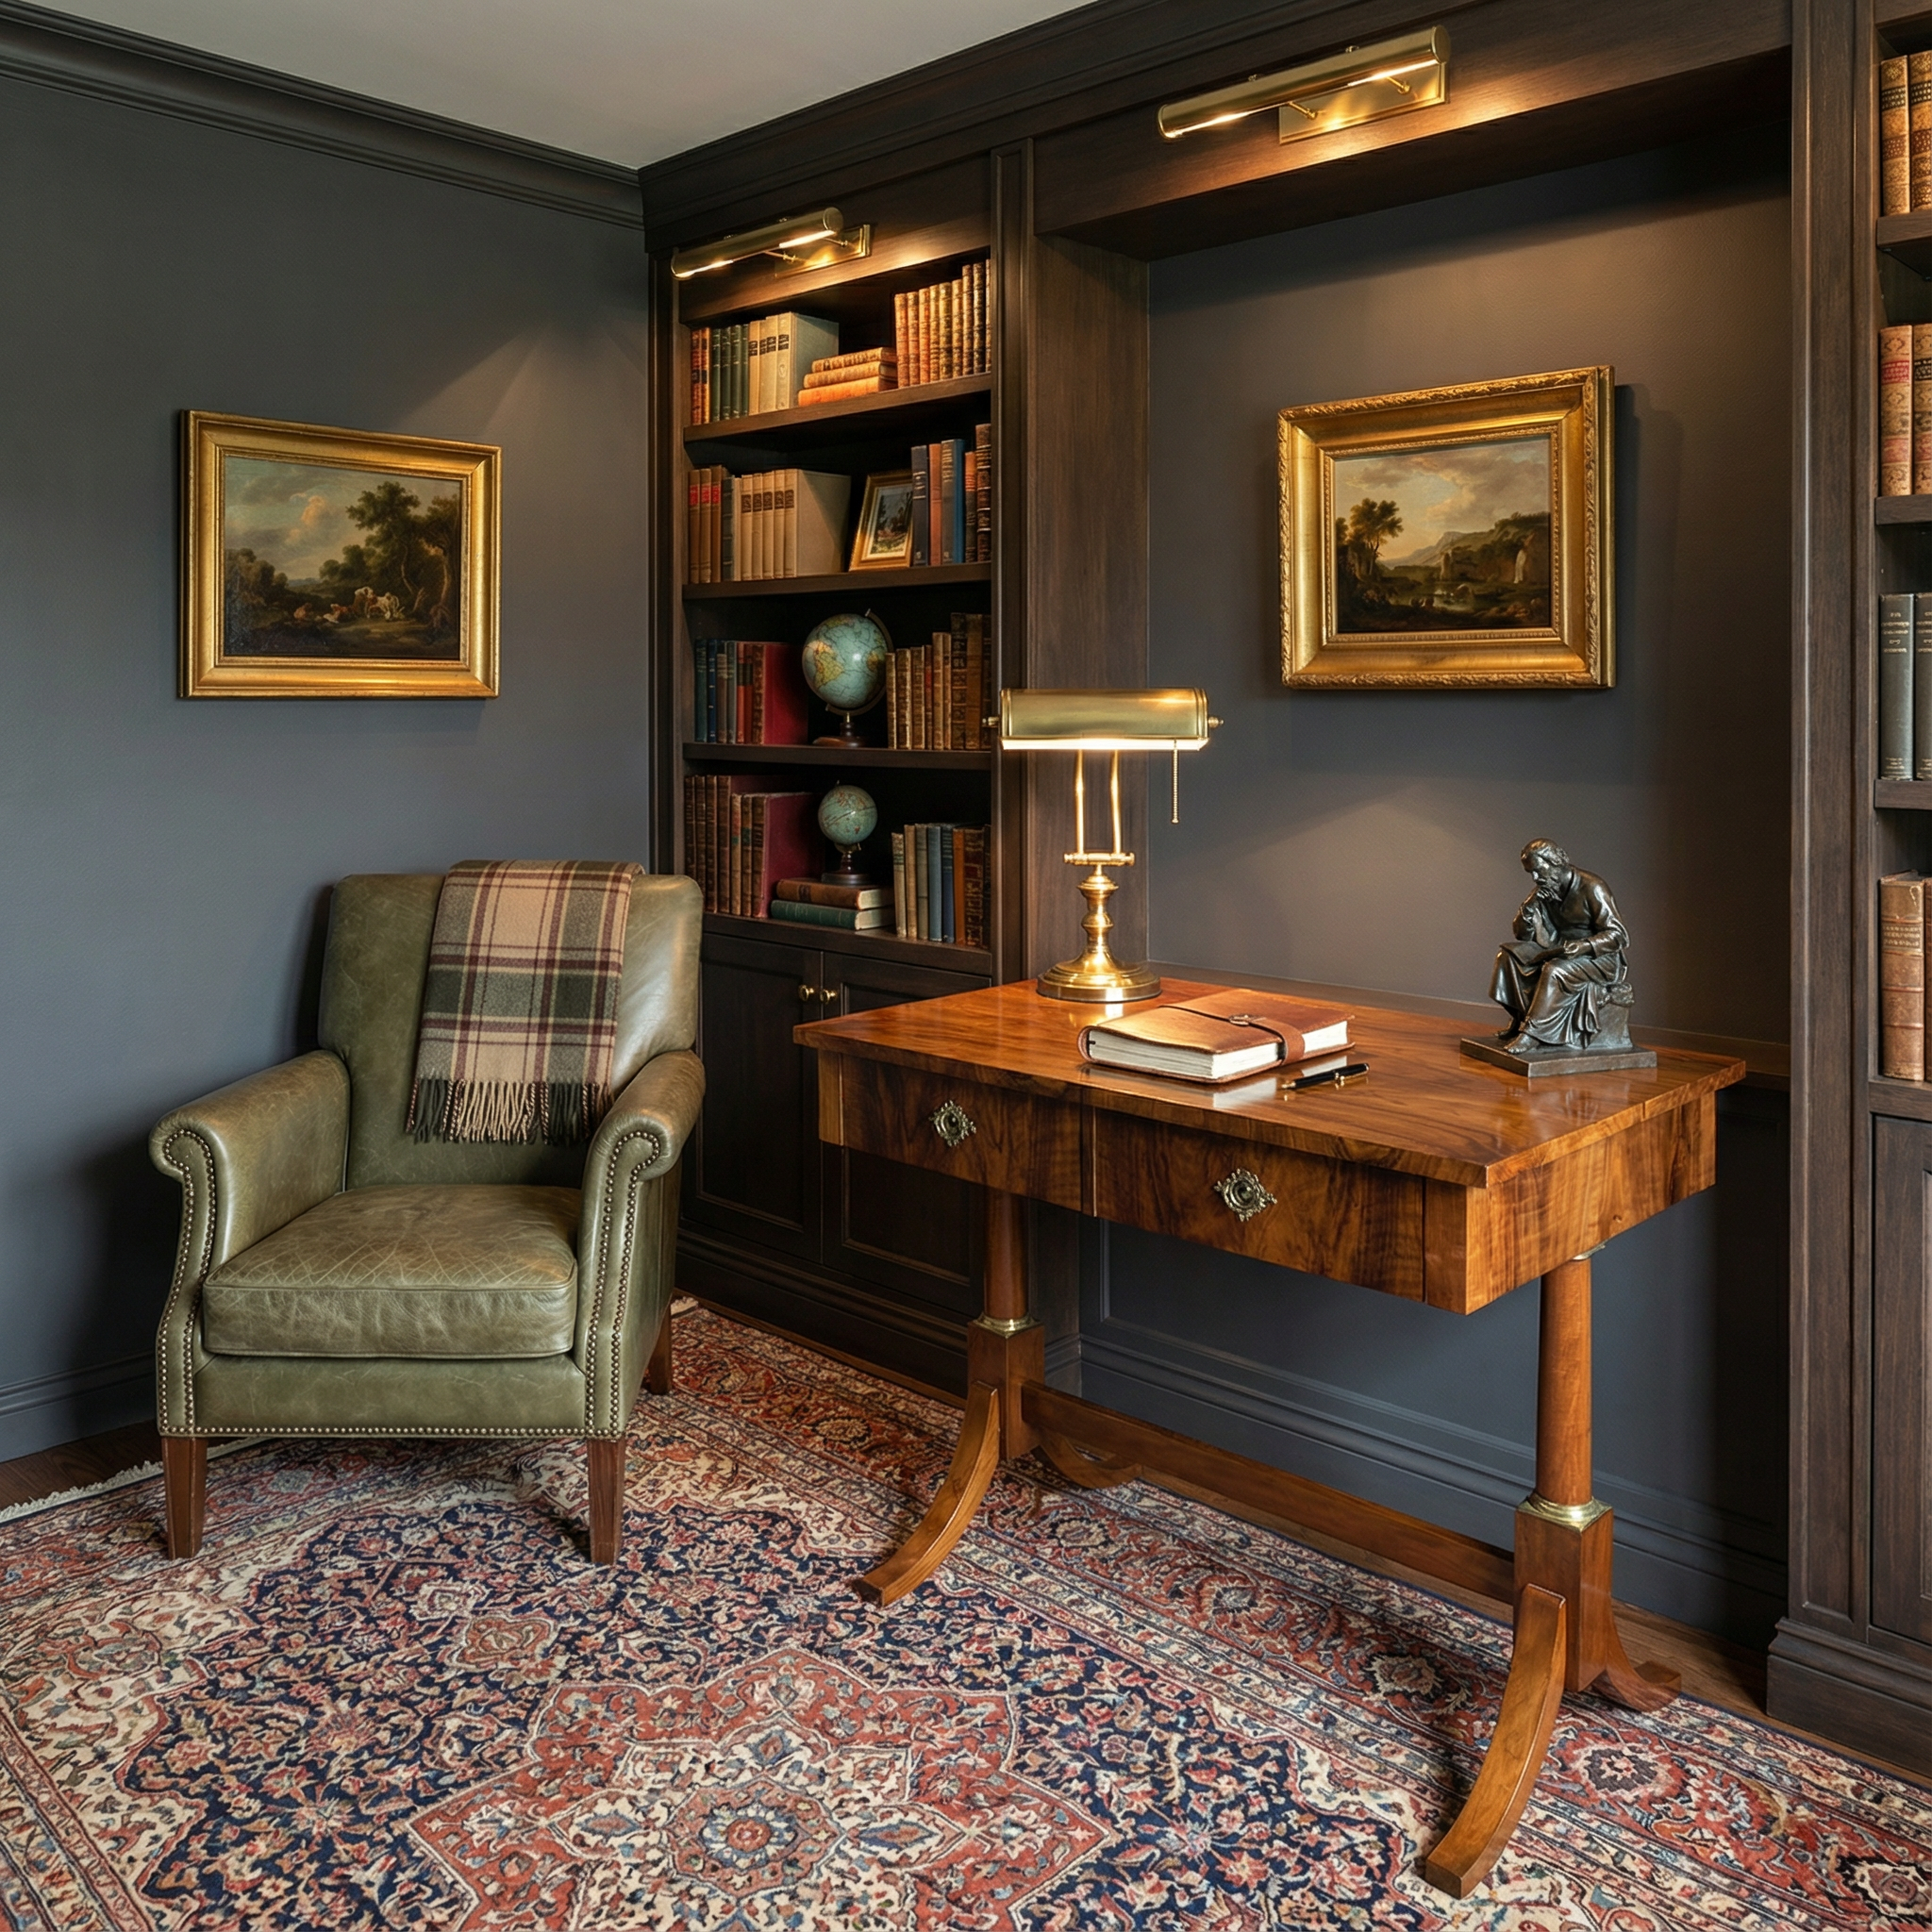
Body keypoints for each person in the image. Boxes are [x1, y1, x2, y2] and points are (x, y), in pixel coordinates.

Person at [1491, 840, 1637, 1054]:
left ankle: (1532, 1033)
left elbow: (1618, 935)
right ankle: (1520, 1018)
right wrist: (1528, 907)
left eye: (1538, 871)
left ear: (1555, 863)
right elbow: (1522, 935)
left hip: (1599, 958)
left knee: (1555, 969)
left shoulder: (1592, 887)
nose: (1535, 878)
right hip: (1559, 949)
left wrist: (1584, 946)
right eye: (1530, 873)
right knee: (1506, 957)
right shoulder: (1545, 889)